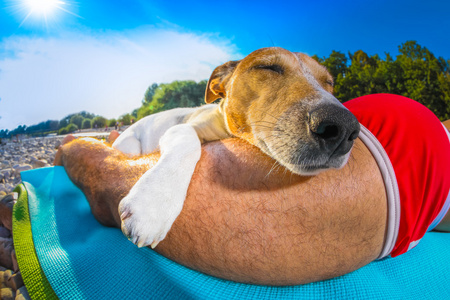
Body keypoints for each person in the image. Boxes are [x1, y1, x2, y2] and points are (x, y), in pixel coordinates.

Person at [54, 94, 450, 286]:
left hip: (415, 150)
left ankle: (79, 150)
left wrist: (92, 160)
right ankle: (80, 151)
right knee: (111, 177)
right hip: (415, 148)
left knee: (112, 178)